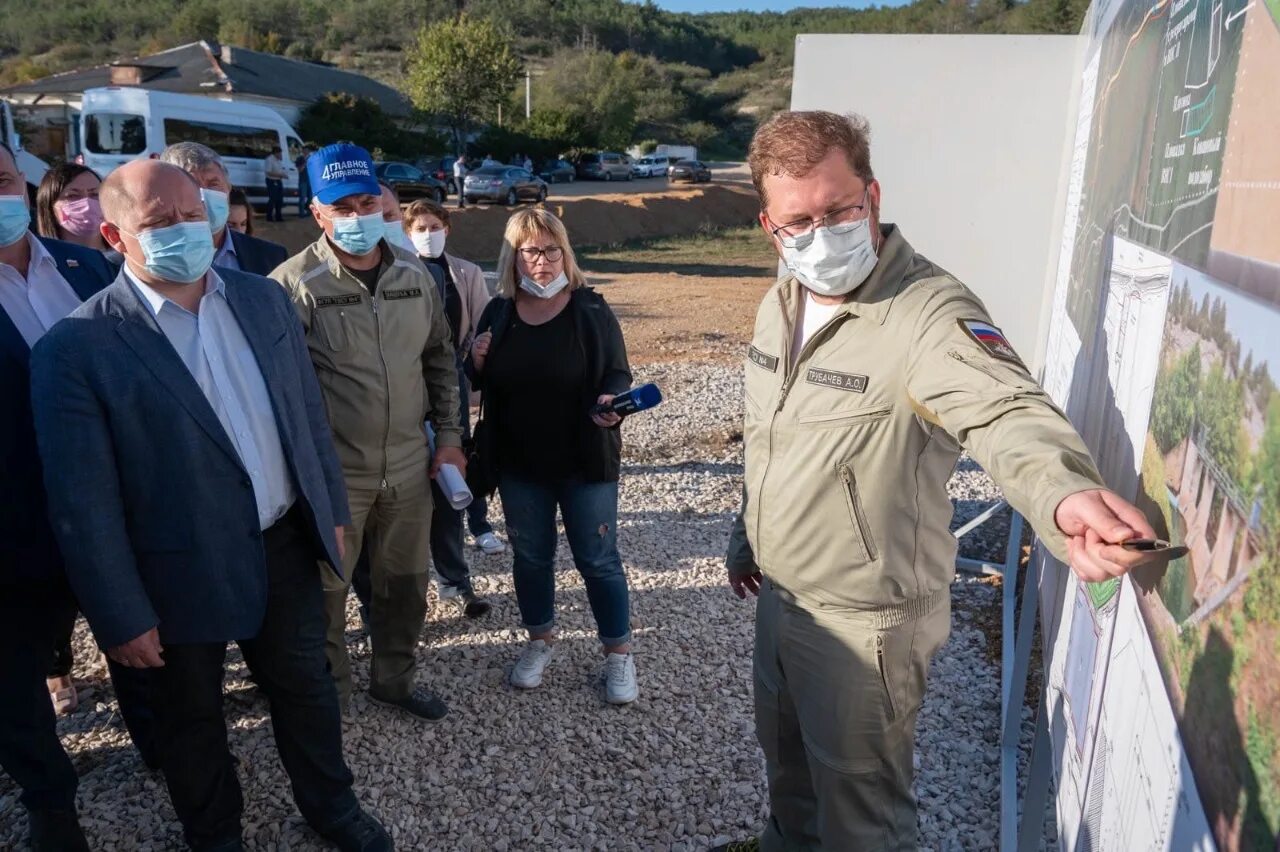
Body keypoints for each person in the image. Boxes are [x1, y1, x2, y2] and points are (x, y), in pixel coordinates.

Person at [714, 111, 1164, 852]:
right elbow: (772, 436)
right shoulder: (779, 303)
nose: (820, 236)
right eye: (799, 222)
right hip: (784, 602)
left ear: (874, 196)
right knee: (790, 781)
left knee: (863, 817)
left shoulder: (927, 313)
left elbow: (1004, 409)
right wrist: (746, 538)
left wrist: (1064, 495)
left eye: (840, 211)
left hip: (867, 623)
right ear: (770, 225)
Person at [30, 159, 392, 852]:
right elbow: (82, 502)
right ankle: (214, 832)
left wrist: (331, 509)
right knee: (190, 719)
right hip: (173, 572)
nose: (185, 231)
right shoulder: (77, 348)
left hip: (281, 541)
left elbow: (304, 415)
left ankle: (331, 807)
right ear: (113, 235)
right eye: (160, 223)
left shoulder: (262, 300)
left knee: (306, 690)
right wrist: (119, 613)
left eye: (193, 214)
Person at [270, 143, 464, 722]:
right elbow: (281, 394)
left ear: (384, 204)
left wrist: (451, 437)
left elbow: (440, 360)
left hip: (408, 468)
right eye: (342, 208)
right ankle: (333, 696)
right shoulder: (289, 285)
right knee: (326, 595)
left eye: (366, 203)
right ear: (318, 213)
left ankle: (395, 682)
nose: (357, 217)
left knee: (404, 588)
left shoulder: (414, 275)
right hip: (335, 477)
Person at [0, 141, 120, 852]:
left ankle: (170, 752)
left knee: (137, 642)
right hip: (13, 525)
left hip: (108, 510)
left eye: (2, 179)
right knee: (16, 677)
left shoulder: (83, 266)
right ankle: (50, 799)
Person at [468, 208, 638, 705]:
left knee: (599, 560)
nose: (541, 261)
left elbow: (617, 374)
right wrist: (474, 360)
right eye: (529, 251)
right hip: (519, 465)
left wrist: (612, 403)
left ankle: (618, 653)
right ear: (513, 258)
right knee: (530, 558)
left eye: (550, 249)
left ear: (565, 253)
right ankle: (539, 641)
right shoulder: (498, 312)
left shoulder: (590, 309)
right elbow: (480, 382)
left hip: (585, 462)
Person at [404, 199, 507, 556]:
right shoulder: (401, 272)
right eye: (420, 229)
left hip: (456, 377)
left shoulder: (467, 272)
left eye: (435, 227)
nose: (428, 235)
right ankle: (431, 533)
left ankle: (479, 524)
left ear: (447, 229)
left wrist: (467, 361)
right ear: (407, 233)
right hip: (412, 381)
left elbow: (482, 322)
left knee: (463, 448)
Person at [161, 142, 287, 276]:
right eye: (193, 185)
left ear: (228, 187)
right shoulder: (157, 258)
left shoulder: (271, 256)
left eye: (213, 184)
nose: (204, 196)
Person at [34, 163, 107, 254]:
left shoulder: (125, 257)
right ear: (50, 207)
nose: (87, 203)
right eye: (73, 195)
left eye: (95, 194)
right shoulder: (43, 262)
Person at [264, 144, 287, 222]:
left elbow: (280, 170)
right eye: (279, 153)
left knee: (279, 200)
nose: (281, 155)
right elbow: (268, 172)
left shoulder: (278, 160)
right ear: (276, 153)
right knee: (272, 199)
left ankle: (278, 216)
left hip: (278, 180)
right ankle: (269, 217)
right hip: (272, 181)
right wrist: (280, 175)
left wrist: (282, 175)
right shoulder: (269, 160)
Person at [296, 145, 311, 218]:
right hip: (303, 181)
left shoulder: (311, 158)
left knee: (311, 197)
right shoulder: (300, 159)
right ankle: (301, 213)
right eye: (305, 150)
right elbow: (299, 170)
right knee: (302, 197)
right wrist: (305, 162)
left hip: (310, 181)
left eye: (307, 150)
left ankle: (308, 210)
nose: (306, 152)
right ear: (303, 151)